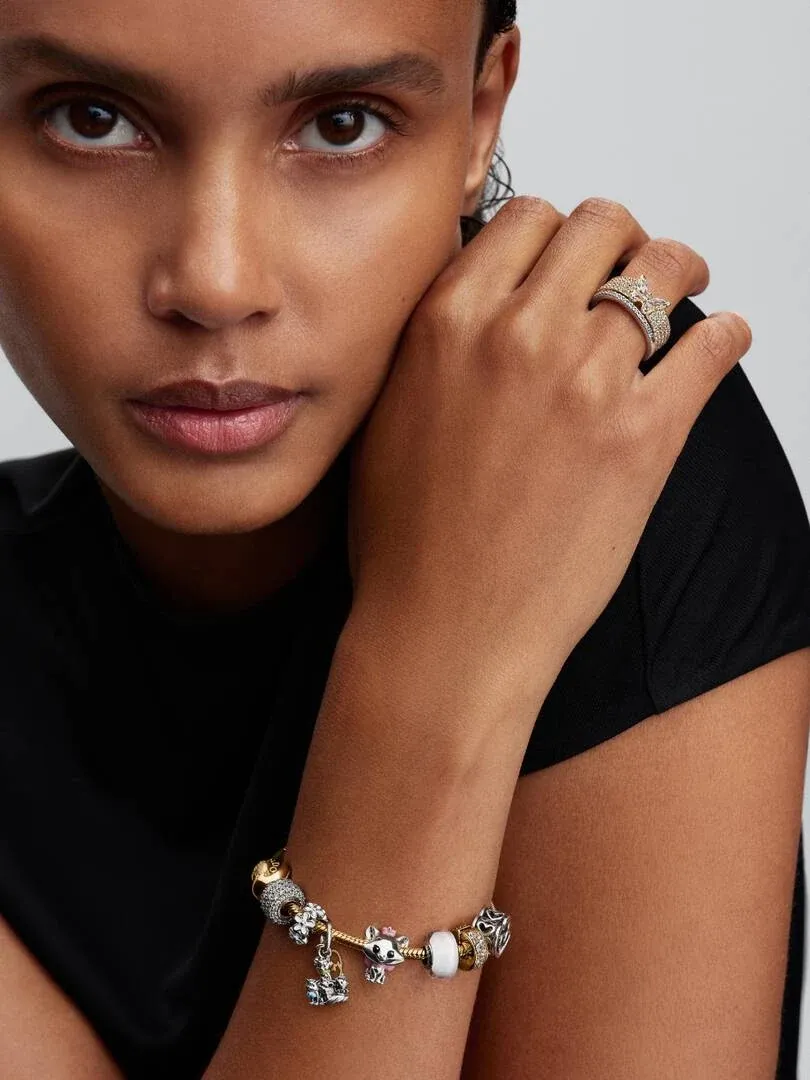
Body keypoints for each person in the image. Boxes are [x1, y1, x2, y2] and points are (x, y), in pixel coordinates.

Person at [1, 0, 809, 1076]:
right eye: (89, 119)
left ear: (480, 117)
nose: (215, 281)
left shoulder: (603, 433)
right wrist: (435, 663)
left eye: (343, 124)